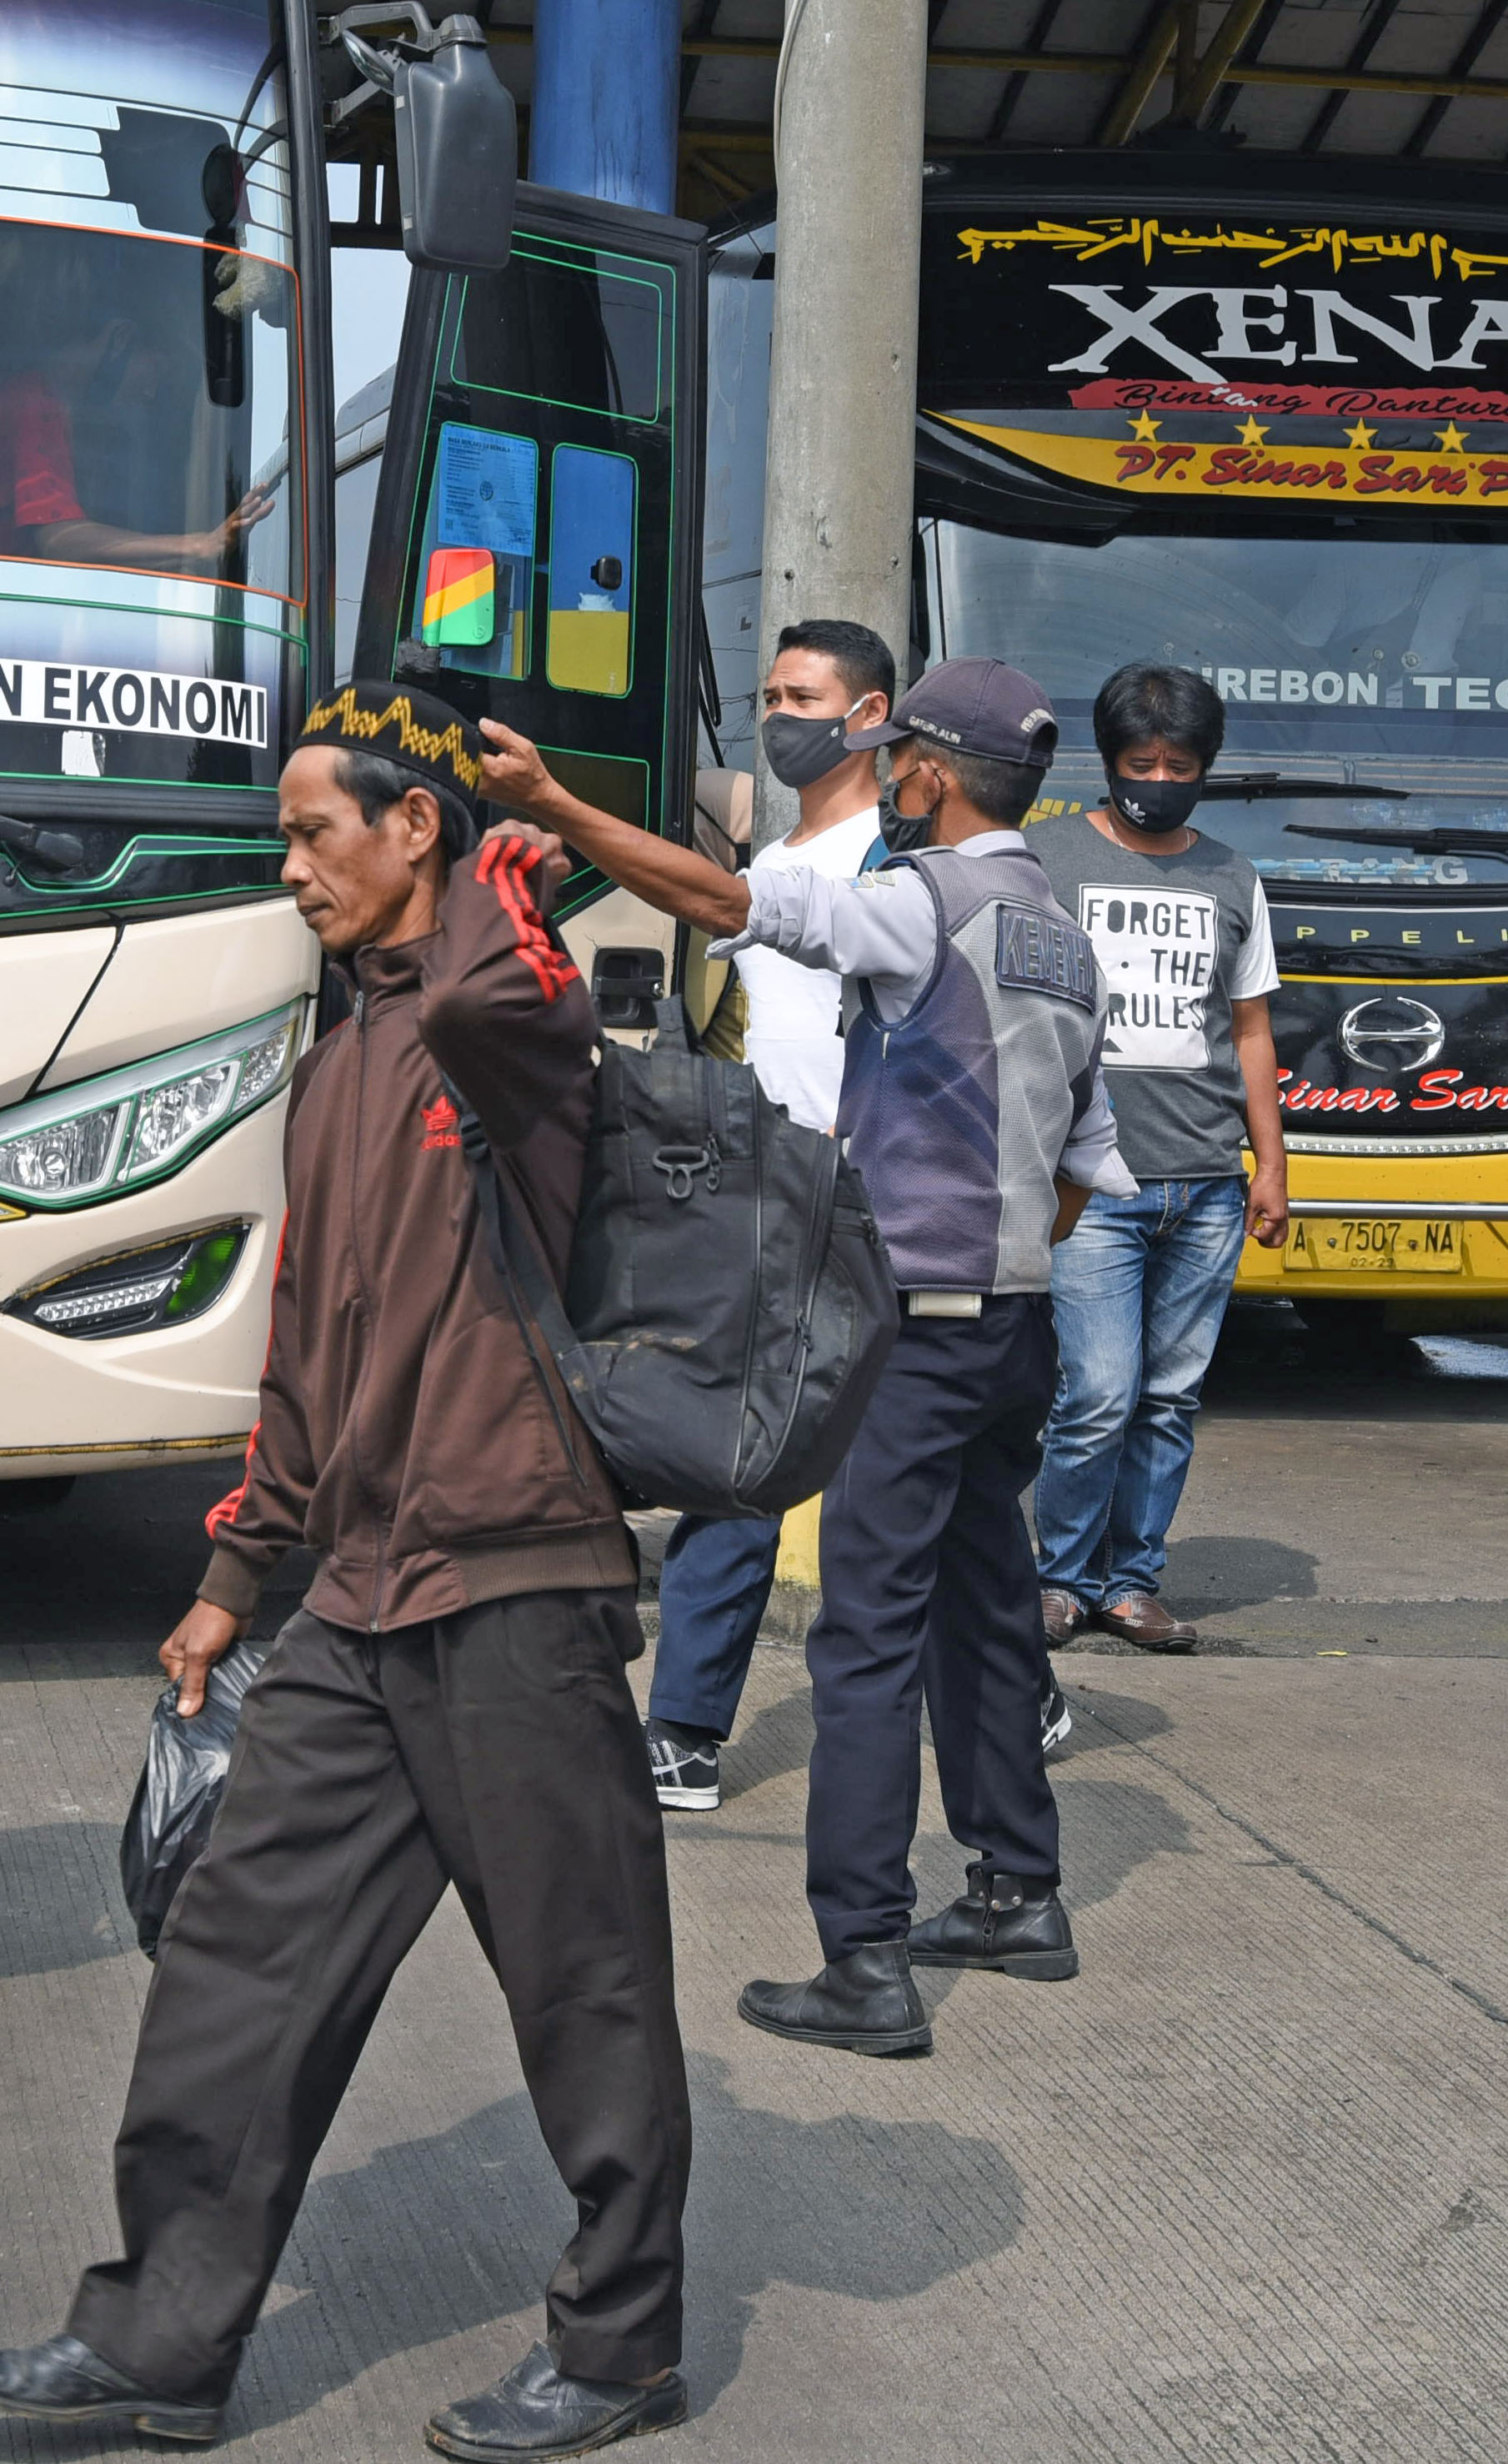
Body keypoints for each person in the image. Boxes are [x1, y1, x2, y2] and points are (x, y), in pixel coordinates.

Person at [0, 684, 692, 2462]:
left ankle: (619, 2344)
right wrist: (238, 1570)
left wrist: (517, 835)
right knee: (234, 1966)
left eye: (313, 830)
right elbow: (308, 1350)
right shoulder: (343, 1055)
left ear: (408, 830)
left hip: (514, 1579)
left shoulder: (496, 1025)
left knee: (579, 1987)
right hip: (354, 1603)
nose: (288, 867)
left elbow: (509, 983)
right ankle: (157, 2340)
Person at [480, 658, 1131, 2059]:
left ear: (934, 776)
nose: (889, 781)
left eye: (899, 762)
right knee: (989, 1606)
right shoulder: (1063, 939)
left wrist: (555, 804)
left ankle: (865, 1957)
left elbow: (734, 903)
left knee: (868, 1640)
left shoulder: (920, 905)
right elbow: (1087, 1167)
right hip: (1016, 1319)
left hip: (919, 1325)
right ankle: (1020, 1891)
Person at [644, 618, 896, 1814]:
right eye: (770, 691)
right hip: (763, 1200)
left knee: (919, 1473)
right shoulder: (757, 853)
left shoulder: (902, 863)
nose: (779, 713)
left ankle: (1012, 1677)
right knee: (736, 1464)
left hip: (881, 1207)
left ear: (871, 715)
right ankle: (685, 1727)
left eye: (805, 695)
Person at [1024, 663, 1290, 1655]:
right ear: (1109, 761)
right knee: (1095, 1392)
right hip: (1088, 1183)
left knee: (1170, 1398)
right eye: (1142, 762)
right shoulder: (1043, 860)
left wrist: (1269, 1163)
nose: (1159, 778)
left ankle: (1129, 1582)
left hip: (1207, 1186)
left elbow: (1250, 1029)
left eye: (1180, 764)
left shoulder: (1230, 877)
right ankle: (1058, 1579)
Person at [0, 316, 271, 572]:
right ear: (120, 337)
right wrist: (201, 544)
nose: (149, 394)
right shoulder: (35, 405)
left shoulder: (45, 403)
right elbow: (58, 540)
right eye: (155, 374)